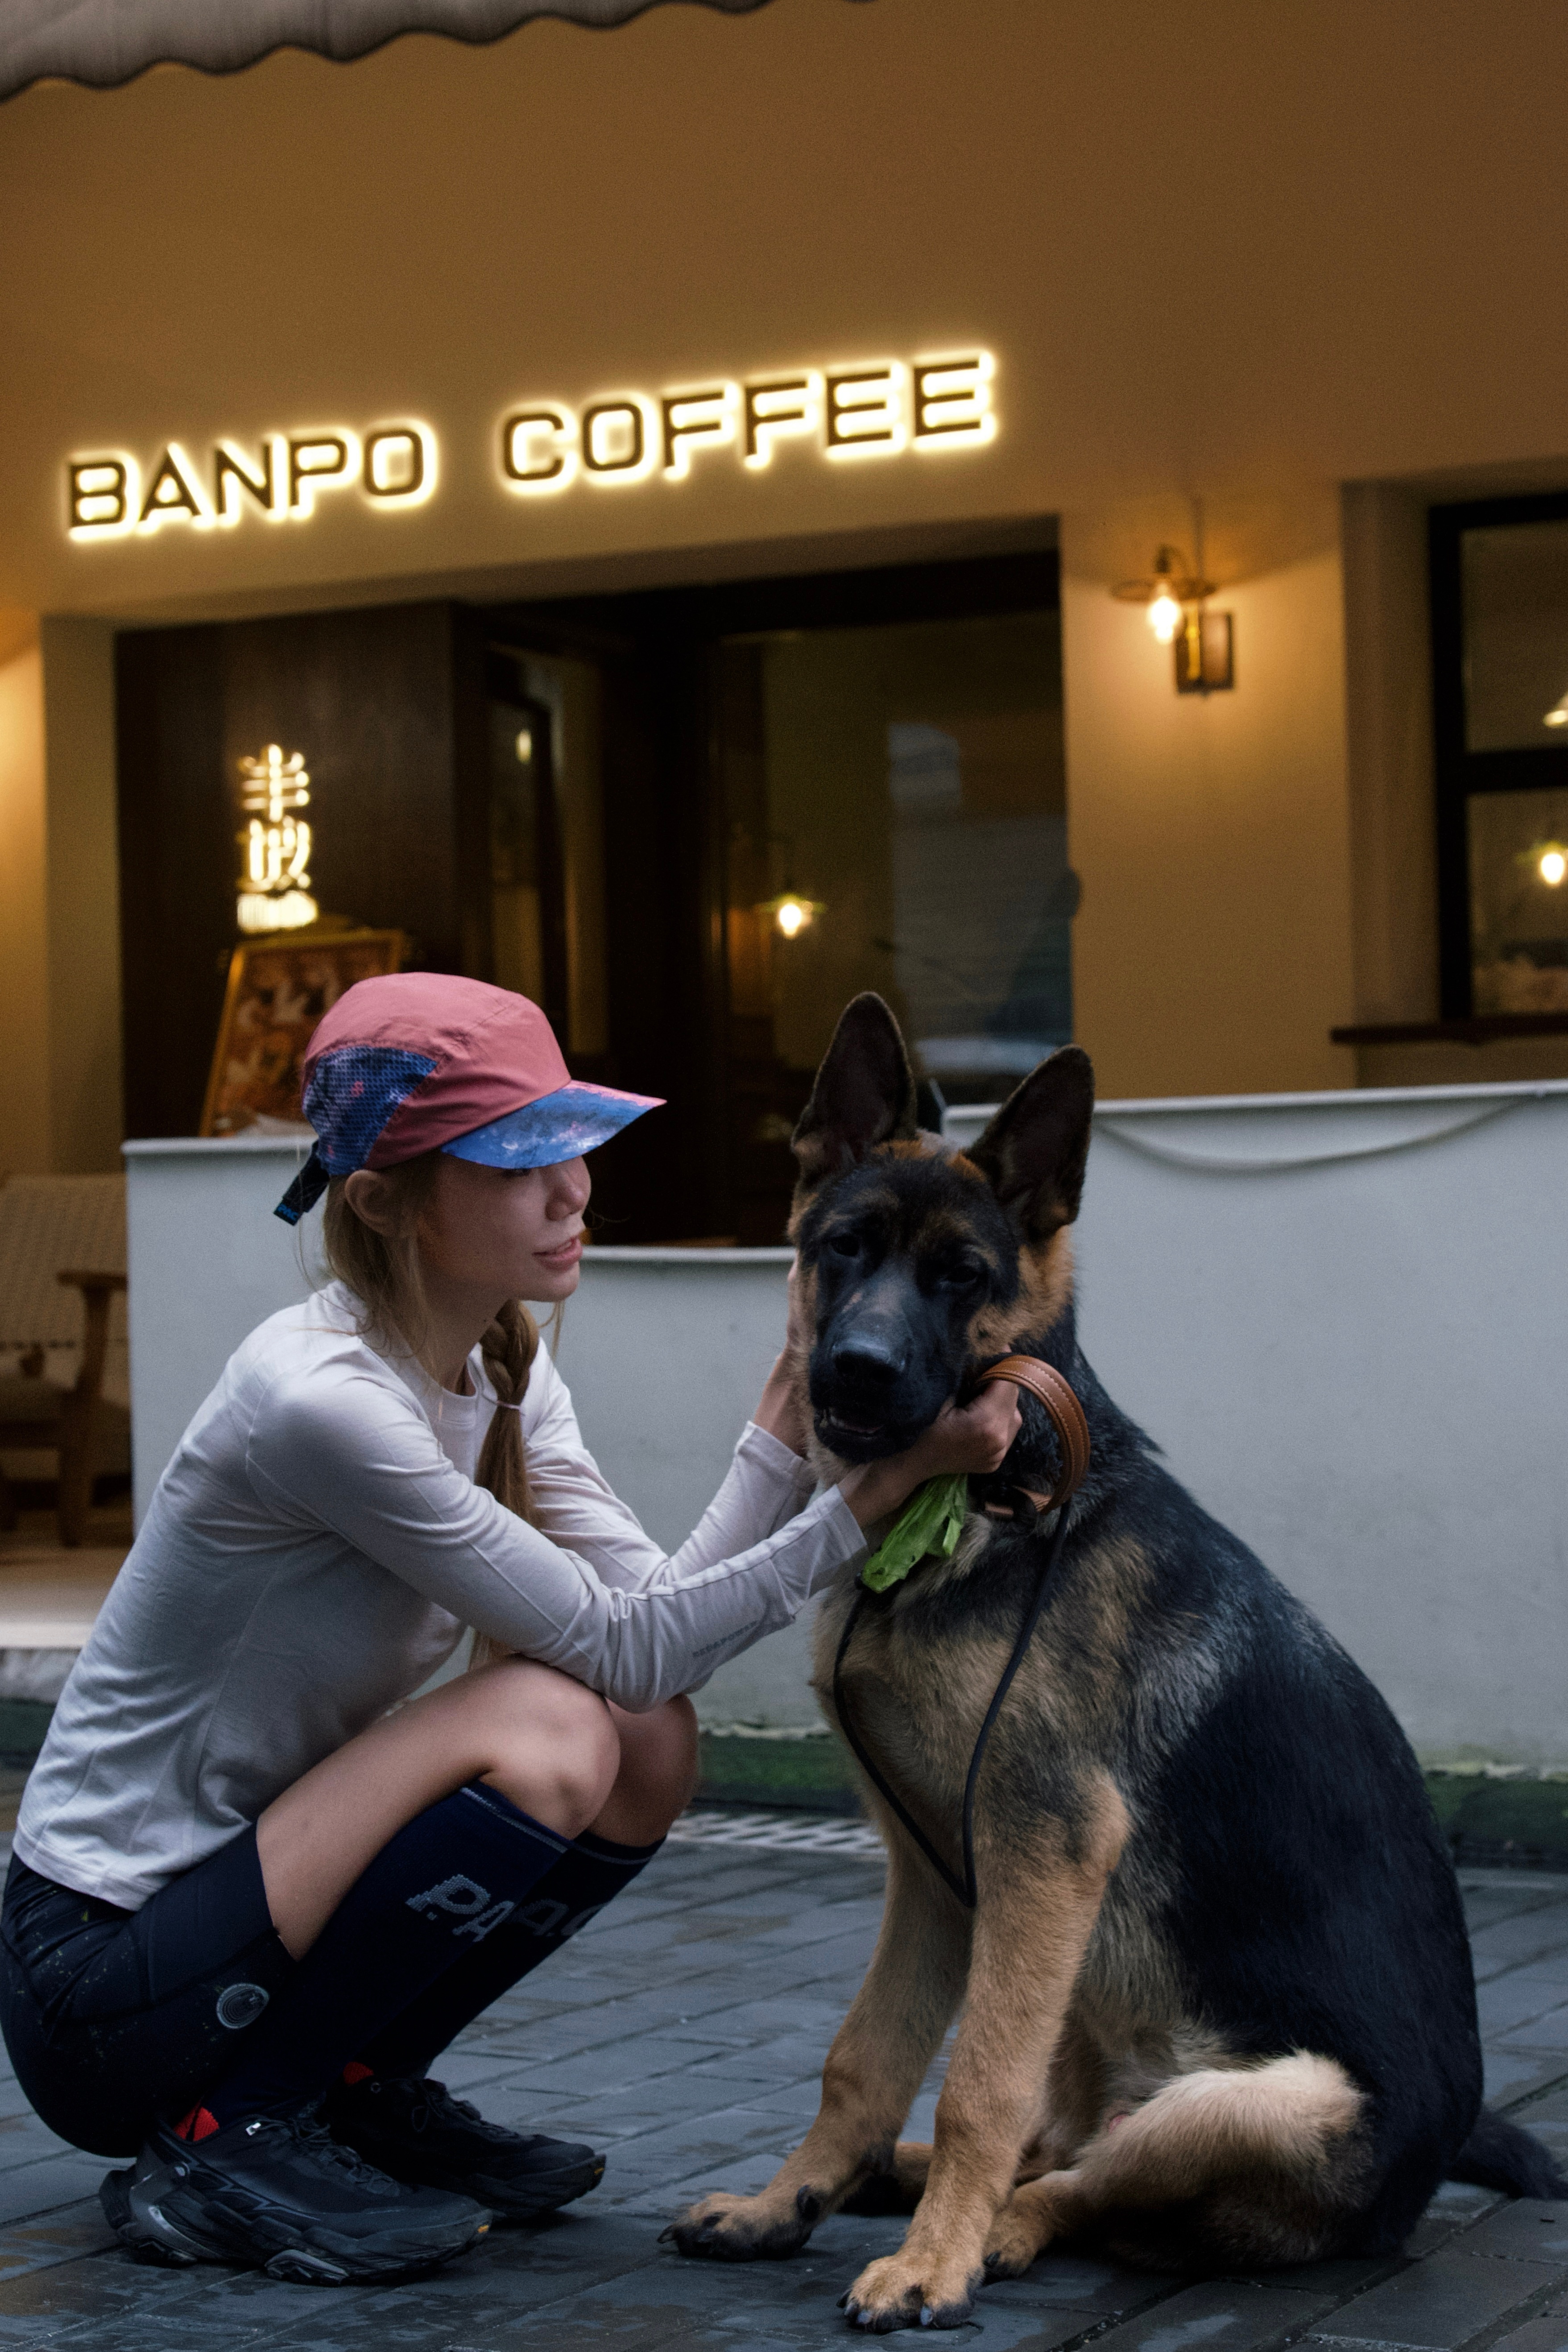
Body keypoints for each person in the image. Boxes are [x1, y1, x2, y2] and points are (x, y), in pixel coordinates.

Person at [0, 975, 1018, 2286]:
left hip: (236, 1915)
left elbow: (654, 1640)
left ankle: (354, 2087)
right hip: (101, 1981)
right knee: (547, 1724)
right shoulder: (321, 1401)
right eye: (519, 1159)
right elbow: (635, 1638)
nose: (574, 1187)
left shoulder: (499, 1367)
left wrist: (780, 1432)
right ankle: (225, 2137)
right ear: (384, 1200)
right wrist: (871, 1492)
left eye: (572, 1143)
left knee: (643, 1739)